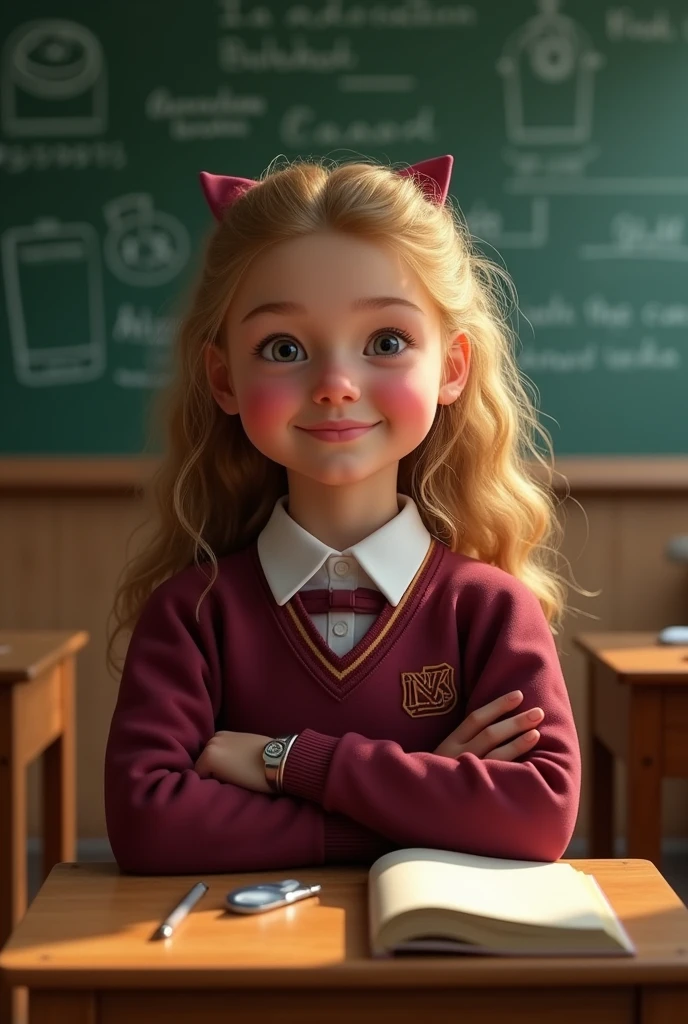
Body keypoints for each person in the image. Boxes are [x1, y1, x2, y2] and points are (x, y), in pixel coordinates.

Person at [104, 154, 584, 875]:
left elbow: (538, 814)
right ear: (224, 377)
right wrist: (421, 799)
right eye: (284, 348)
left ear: (452, 366)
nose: (334, 386)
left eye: (386, 342)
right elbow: (148, 826)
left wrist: (284, 761)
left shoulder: (487, 609)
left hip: (441, 977)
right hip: (236, 976)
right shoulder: (193, 613)